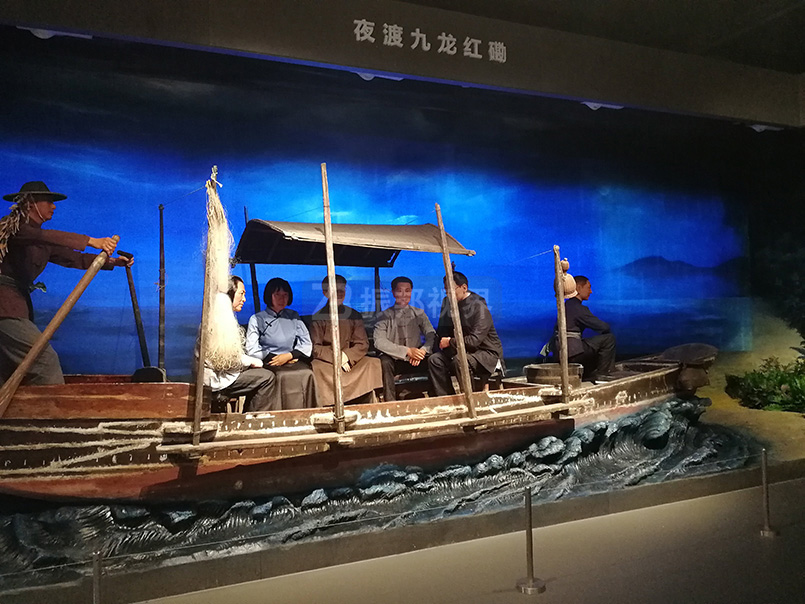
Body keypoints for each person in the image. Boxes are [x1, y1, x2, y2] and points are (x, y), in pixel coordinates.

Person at [0, 181, 133, 386]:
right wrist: (91, 240)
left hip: (15, 308)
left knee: (8, 372)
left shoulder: (42, 241)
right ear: (31, 203)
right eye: (49, 201)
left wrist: (113, 262)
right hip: (5, 309)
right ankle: (52, 407)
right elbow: (40, 236)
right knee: (44, 361)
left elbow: (73, 258)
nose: (54, 206)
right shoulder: (13, 230)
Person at [201, 276, 278, 412]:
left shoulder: (220, 317)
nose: (244, 299)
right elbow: (225, 358)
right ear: (230, 295)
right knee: (267, 378)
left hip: (220, 374)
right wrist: (251, 361)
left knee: (258, 374)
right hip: (216, 380)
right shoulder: (219, 322)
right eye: (241, 294)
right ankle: (254, 418)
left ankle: (249, 414)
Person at [309, 274, 382, 406]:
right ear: (325, 292)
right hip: (328, 362)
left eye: (342, 290)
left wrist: (346, 356)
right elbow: (316, 347)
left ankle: (368, 401)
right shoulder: (318, 317)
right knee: (316, 368)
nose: (339, 293)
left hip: (349, 360)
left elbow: (362, 343)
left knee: (373, 363)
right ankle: (329, 405)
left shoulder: (354, 315)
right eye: (335, 290)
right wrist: (337, 358)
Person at [428, 271, 504, 396]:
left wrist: (450, 342)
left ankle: (470, 398)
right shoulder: (447, 303)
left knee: (460, 360)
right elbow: (442, 330)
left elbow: (474, 341)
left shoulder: (478, 306)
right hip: (459, 349)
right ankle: (448, 398)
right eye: (446, 290)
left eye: (452, 290)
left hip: (485, 352)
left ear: (464, 288)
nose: (448, 294)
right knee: (435, 360)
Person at [245, 278, 316, 409]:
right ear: (269, 295)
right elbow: (251, 348)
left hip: (290, 359)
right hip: (269, 361)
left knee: (307, 373)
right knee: (280, 376)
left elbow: (306, 342)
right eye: (277, 295)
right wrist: (274, 358)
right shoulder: (257, 319)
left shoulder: (293, 316)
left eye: (285, 295)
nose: (282, 298)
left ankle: (304, 412)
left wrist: (290, 355)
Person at [373, 276, 436, 401]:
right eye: (399, 291)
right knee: (385, 362)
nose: (404, 295)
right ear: (393, 292)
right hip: (395, 359)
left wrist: (422, 351)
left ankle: (436, 399)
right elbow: (379, 341)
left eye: (407, 291)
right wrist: (407, 351)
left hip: (417, 359)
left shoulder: (419, 313)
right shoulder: (384, 316)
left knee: (435, 360)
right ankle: (390, 403)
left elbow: (431, 334)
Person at [557, 274, 616, 381]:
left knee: (591, 344)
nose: (591, 291)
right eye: (588, 288)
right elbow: (602, 327)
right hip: (571, 352)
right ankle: (602, 375)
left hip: (561, 352)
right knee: (608, 339)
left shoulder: (567, 305)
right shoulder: (578, 308)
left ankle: (588, 373)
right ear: (579, 288)